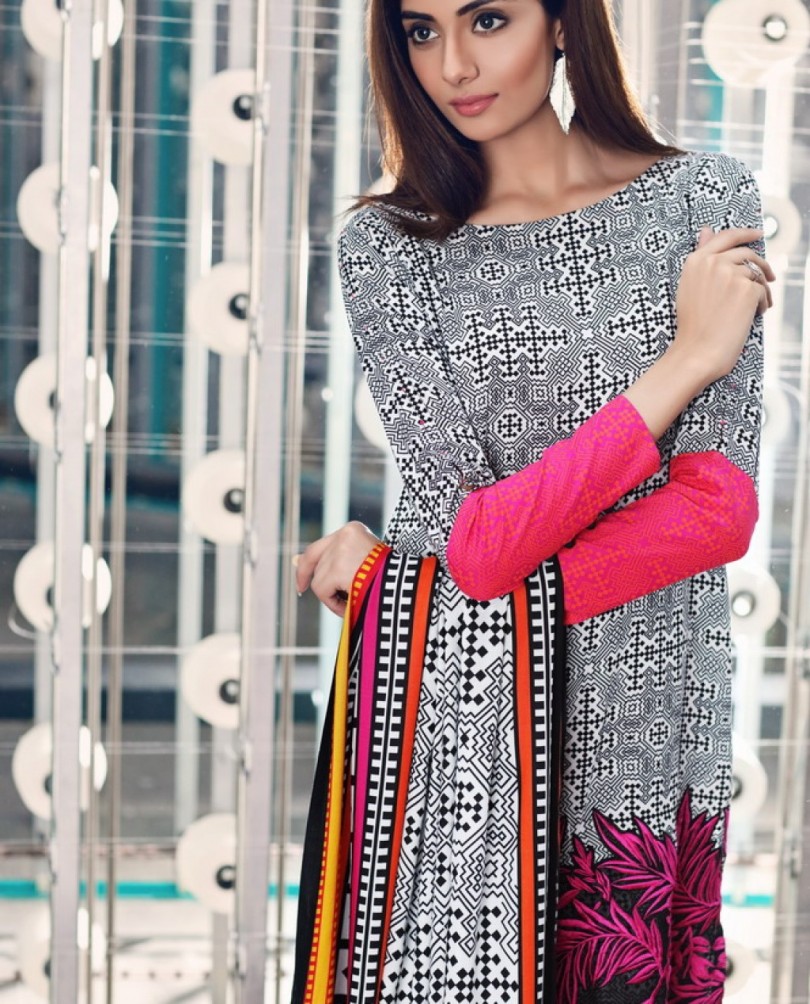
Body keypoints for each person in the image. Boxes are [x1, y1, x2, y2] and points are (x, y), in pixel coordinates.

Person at [290, 0, 774, 1000]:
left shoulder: (701, 200)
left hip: (646, 732)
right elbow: (477, 547)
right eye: (421, 31)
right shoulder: (390, 249)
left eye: (488, 20)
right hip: (455, 742)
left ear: (561, 23)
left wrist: (429, 585)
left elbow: (716, 510)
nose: (454, 66)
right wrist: (684, 362)